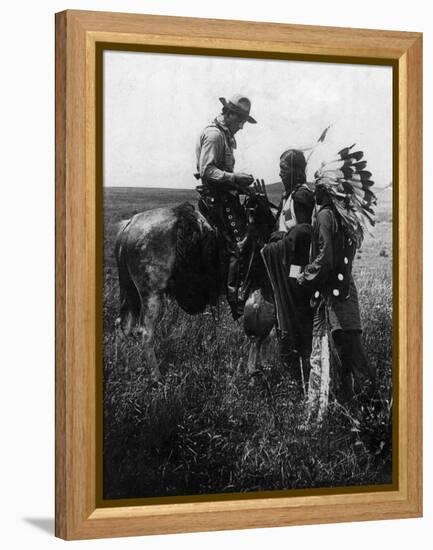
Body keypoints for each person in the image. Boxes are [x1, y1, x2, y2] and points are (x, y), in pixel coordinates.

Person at [297, 178, 376, 423]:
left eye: (318, 189)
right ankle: (354, 416)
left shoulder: (325, 216)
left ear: (325, 192)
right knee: (343, 358)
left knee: (352, 357)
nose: (314, 194)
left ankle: (377, 414)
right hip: (343, 295)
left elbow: (326, 258)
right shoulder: (341, 217)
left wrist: (305, 274)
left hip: (335, 300)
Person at [195, 94, 257, 319]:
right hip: (216, 199)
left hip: (224, 195)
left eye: (243, 120)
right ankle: (235, 298)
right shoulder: (214, 135)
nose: (241, 125)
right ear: (228, 114)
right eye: (239, 119)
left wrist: (240, 185)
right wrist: (234, 178)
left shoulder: (224, 135)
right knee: (239, 243)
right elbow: (207, 171)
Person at [261, 149, 315, 391]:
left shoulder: (302, 196)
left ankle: (301, 378)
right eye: (280, 169)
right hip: (285, 267)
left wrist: (282, 237)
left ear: (296, 171)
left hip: (295, 270)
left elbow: (304, 232)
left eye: (284, 169)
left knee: (295, 320)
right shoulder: (290, 195)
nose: (280, 173)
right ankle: (294, 376)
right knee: (286, 320)